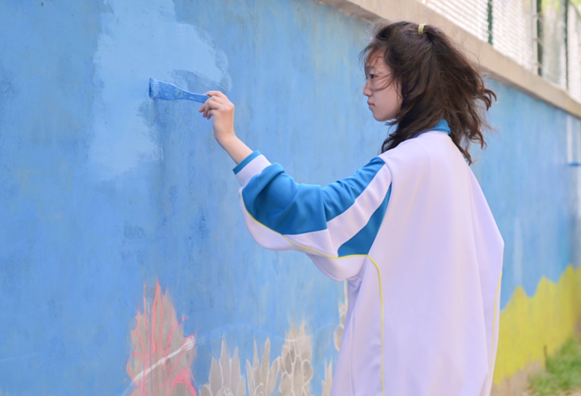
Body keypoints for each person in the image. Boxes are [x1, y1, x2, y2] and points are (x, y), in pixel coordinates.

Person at [197, 21, 505, 396]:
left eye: (374, 76)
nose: (366, 89)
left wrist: (231, 140)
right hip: (450, 374)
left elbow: (318, 213)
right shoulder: (453, 164)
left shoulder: (403, 167)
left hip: (398, 374)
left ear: (410, 81)